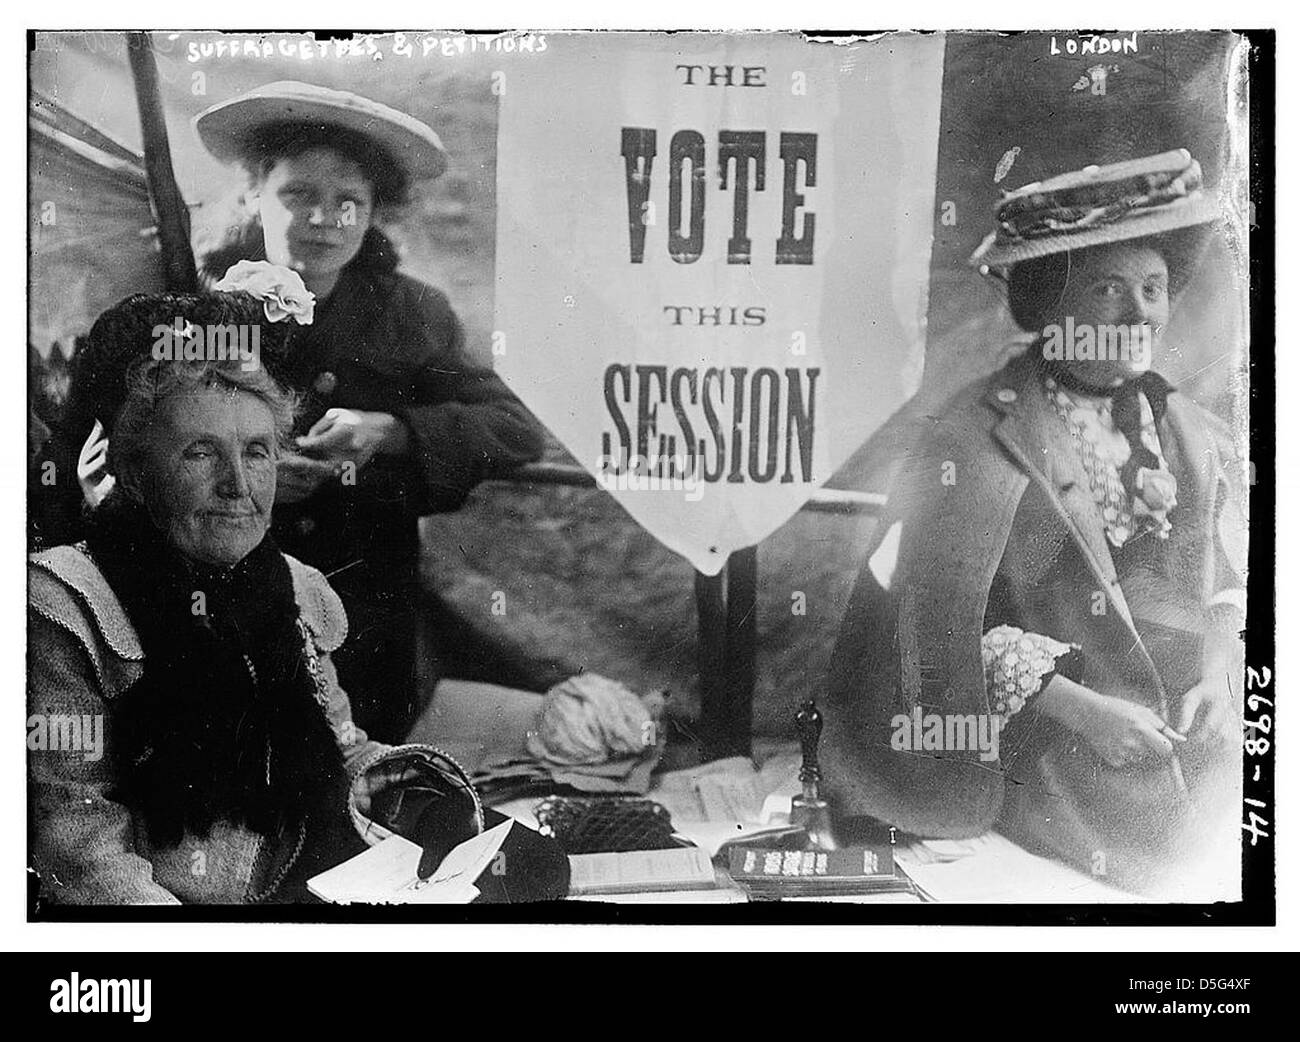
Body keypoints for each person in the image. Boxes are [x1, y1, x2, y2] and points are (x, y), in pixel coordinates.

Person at [823, 150, 1248, 896]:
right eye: (1109, 288)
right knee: (1145, 851)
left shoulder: (1187, 429)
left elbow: (1226, 578)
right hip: (1043, 729)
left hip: (1183, 711)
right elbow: (931, 629)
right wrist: (1082, 712)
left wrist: (1218, 674)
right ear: (1051, 304)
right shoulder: (973, 438)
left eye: (1152, 288)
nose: (1140, 312)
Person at [27, 286, 495, 905]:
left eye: (257, 452)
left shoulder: (297, 589)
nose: (238, 485)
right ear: (136, 470)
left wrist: (377, 776)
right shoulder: (66, 605)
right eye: (200, 452)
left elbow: (339, 745)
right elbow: (81, 845)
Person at [192, 81, 545, 741]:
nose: (327, 221)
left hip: (366, 600)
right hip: (227, 586)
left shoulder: (411, 313)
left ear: (373, 210)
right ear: (254, 196)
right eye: (299, 195)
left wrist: (392, 432)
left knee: (364, 770)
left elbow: (514, 429)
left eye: (349, 201)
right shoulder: (200, 306)